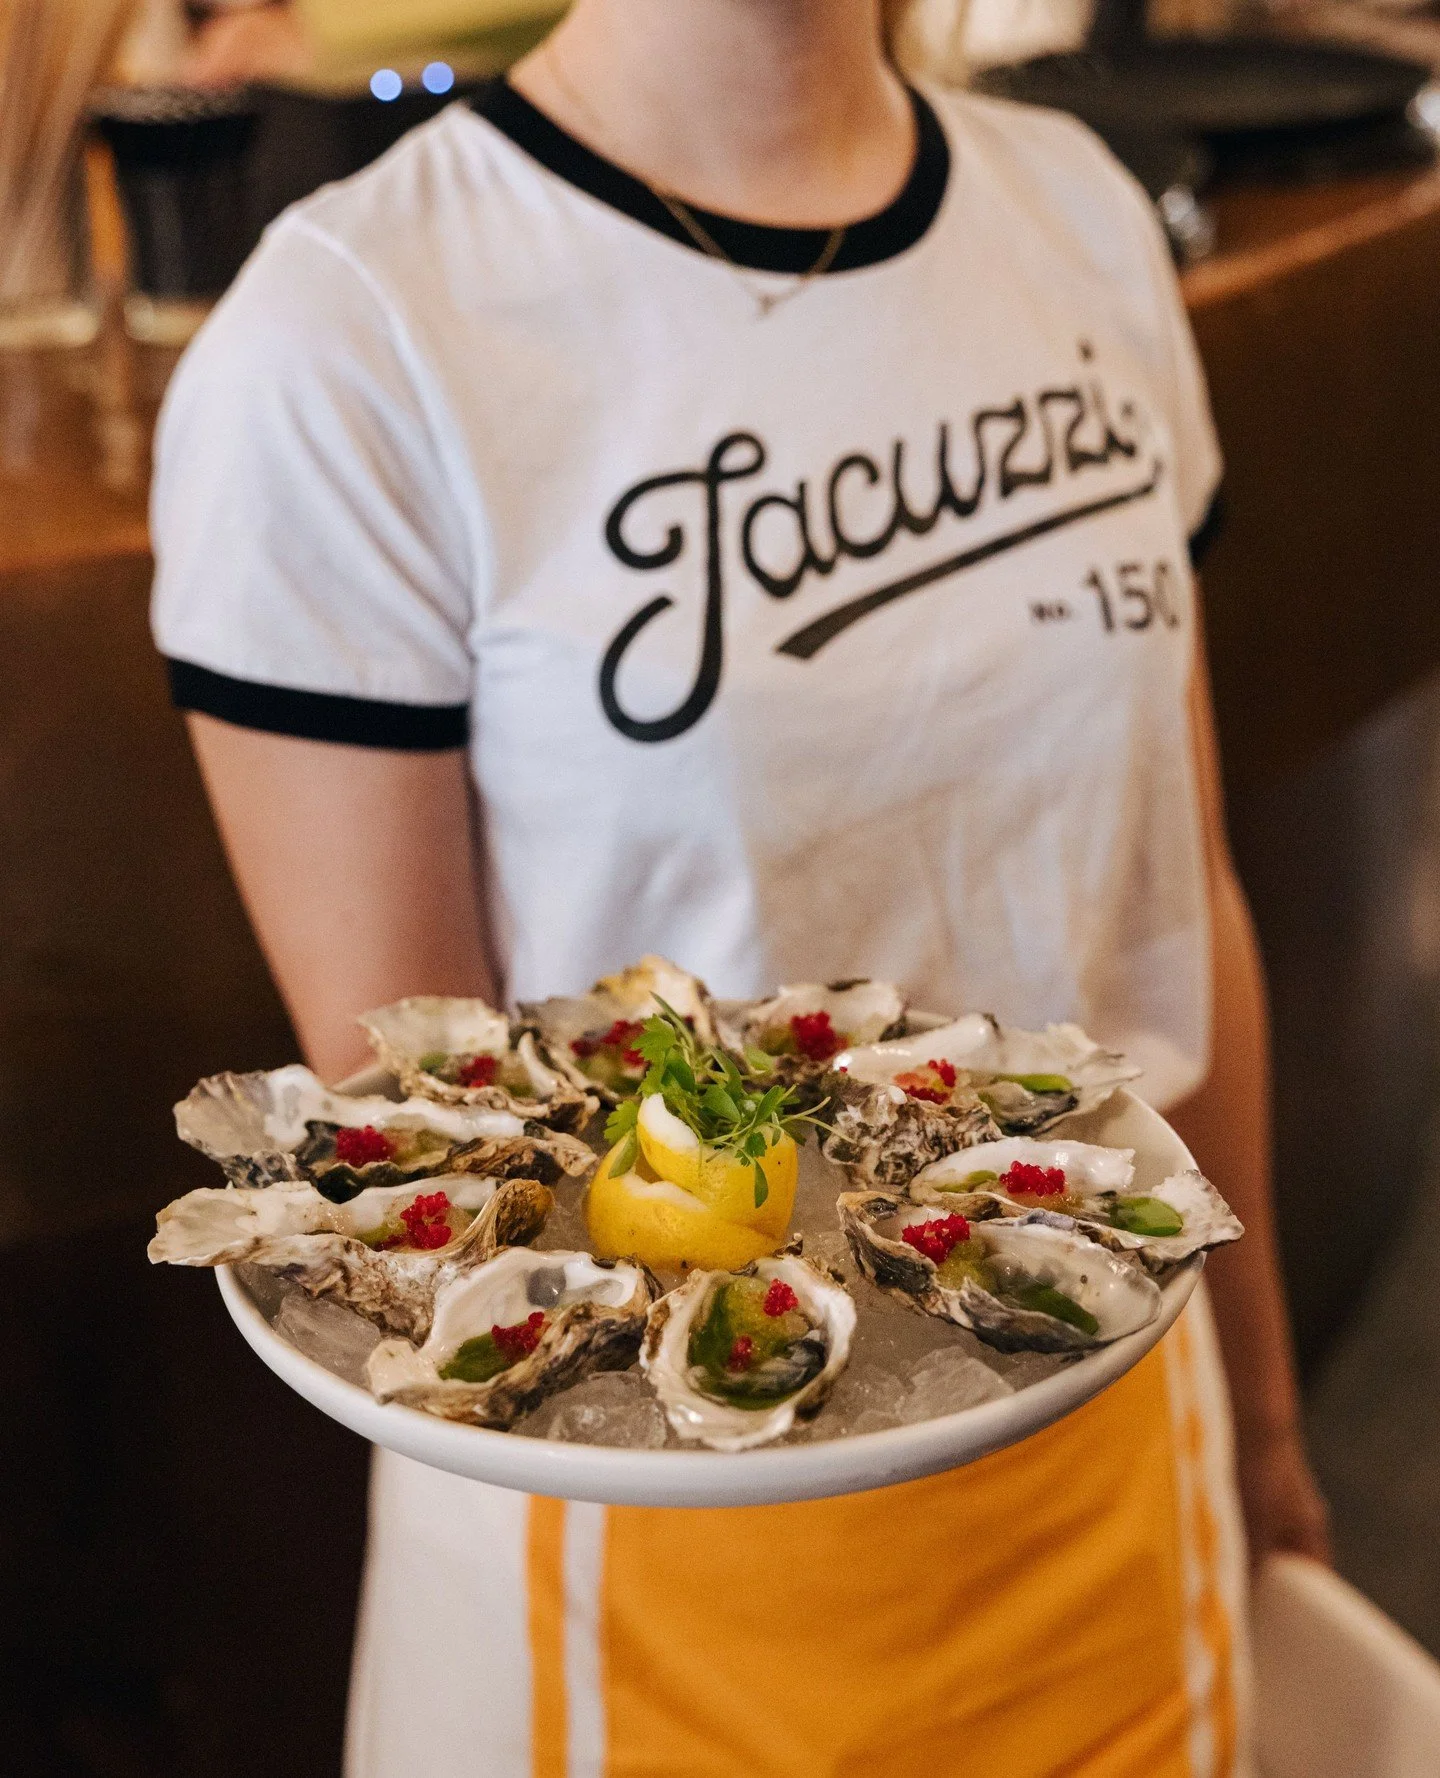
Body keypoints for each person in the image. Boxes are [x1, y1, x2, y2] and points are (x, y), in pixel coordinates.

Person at [150, 2, 1330, 1772]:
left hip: (1118, 1494)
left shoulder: (1079, 207)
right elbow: (424, 1150)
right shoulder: (347, 335)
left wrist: (1266, 1423)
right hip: (641, 1587)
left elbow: (1179, 897)